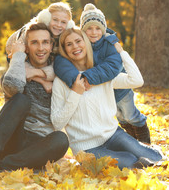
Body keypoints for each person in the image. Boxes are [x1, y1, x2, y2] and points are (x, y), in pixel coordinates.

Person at [50, 28, 163, 169]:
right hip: (86, 149)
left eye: (78, 41)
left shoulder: (101, 73)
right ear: (65, 50)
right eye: (69, 44)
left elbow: (136, 80)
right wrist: (75, 93)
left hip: (113, 135)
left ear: (86, 43)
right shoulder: (61, 82)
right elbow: (57, 123)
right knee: (131, 162)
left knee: (155, 158)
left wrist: (121, 52)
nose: (75, 47)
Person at [0, 23, 69, 175]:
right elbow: (13, 86)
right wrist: (17, 56)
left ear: (51, 46)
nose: (41, 48)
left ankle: (3, 165)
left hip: (37, 146)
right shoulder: (16, 69)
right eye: (34, 42)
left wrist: (39, 76)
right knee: (21, 100)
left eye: (45, 42)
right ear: (27, 48)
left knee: (61, 140)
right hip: (11, 137)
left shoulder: (61, 73)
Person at [53, 3, 151, 144]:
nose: (94, 32)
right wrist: (76, 80)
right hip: (105, 91)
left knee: (130, 116)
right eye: (89, 29)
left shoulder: (109, 43)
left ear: (103, 29)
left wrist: (87, 77)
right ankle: (134, 143)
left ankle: (145, 142)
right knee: (122, 119)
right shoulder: (82, 45)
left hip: (121, 89)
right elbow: (62, 64)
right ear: (83, 31)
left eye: (98, 28)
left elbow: (111, 66)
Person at [5, 2, 75, 93]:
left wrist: (37, 73)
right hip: (16, 54)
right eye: (55, 20)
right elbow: (22, 67)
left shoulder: (64, 38)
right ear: (47, 18)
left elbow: (60, 67)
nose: (58, 25)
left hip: (41, 63)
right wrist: (42, 81)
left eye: (63, 22)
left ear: (68, 25)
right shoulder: (30, 32)